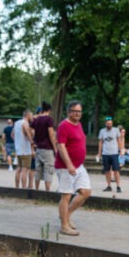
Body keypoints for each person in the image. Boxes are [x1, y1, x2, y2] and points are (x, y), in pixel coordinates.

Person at [56, 101, 91, 236]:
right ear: (68, 112)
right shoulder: (64, 126)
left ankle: (66, 215)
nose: (77, 113)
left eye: (79, 111)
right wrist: (69, 164)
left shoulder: (79, 124)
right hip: (66, 166)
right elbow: (61, 146)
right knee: (66, 195)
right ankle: (64, 226)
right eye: (74, 111)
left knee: (86, 192)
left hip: (79, 166)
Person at [32, 102, 57, 191]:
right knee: (48, 169)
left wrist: (33, 142)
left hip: (38, 148)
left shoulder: (36, 120)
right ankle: (47, 191)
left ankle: (37, 189)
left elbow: (30, 129)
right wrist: (55, 147)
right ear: (49, 110)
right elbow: (51, 134)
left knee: (38, 169)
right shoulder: (49, 120)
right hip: (47, 148)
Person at [97, 116, 123, 193]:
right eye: (108, 124)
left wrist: (121, 150)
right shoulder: (102, 131)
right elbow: (100, 142)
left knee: (116, 170)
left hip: (114, 153)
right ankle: (109, 186)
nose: (109, 125)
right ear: (105, 124)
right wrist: (99, 153)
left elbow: (119, 140)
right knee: (107, 170)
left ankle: (118, 186)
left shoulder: (116, 130)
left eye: (111, 124)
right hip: (105, 153)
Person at [13, 109, 35, 189]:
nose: (32, 117)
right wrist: (32, 143)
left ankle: (17, 187)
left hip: (18, 149)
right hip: (25, 150)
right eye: (31, 115)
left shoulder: (16, 123)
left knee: (19, 169)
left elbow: (12, 135)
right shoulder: (25, 123)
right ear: (27, 115)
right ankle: (24, 188)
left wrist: (18, 141)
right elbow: (29, 134)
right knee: (25, 170)